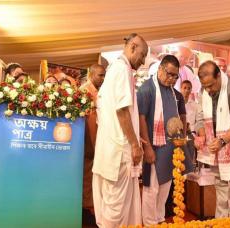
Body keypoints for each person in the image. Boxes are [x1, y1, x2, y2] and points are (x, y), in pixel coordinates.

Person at [92, 33, 148, 228]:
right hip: (118, 153)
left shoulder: (114, 70)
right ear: (132, 47)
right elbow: (122, 110)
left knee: (110, 205)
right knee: (115, 209)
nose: (143, 62)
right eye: (142, 55)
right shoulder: (122, 69)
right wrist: (135, 144)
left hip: (108, 152)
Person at [138, 55, 192, 225]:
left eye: (176, 76)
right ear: (160, 69)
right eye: (169, 74)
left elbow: (182, 116)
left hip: (171, 149)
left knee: (166, 187)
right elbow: (140, 119)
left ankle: (159, 219)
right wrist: (147, 148)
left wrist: (181, 138)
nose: (172, 79)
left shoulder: (175, 94)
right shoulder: (147, 89)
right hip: (154, 147)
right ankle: (149, 223)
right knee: (151, 188)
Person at [197, 60, 230, 218]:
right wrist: (201, 135)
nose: (208, 90)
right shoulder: (204, 91)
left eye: (211, 85)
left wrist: (221, 141)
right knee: (221, 194)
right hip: (216, 151)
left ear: (219, 76)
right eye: (205, 86)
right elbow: (200, 118)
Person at [79, 64, 105, 225]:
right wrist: (91, 147)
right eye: (100, 75)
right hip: (88, 143)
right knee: (87, 177)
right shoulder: (84, 91)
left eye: (104, 76)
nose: (102, 79)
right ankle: (86, 214)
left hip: (97, 142)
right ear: (91, 74)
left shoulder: (99, 91)